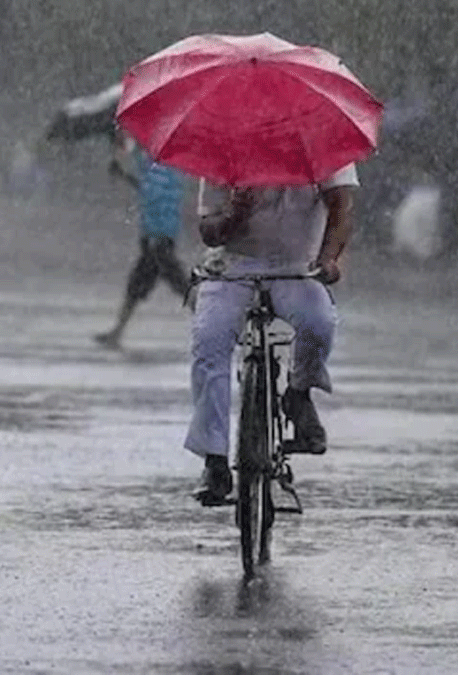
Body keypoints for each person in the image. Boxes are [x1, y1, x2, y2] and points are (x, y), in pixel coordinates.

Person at [188, 163, 360, 502]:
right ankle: (215, 459)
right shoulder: (226, 148)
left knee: (319, 323)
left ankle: (298, 393)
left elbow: (341, 207)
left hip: (297, 267)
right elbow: (208, 231)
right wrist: (234, 216)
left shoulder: (321, 144)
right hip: (233, 266)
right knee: (209, 342)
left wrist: (328, 259)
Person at [93, 131, 191, 349]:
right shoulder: (164, 164)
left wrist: (121, 170)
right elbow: (149, 190)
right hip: (157, 237)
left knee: (180, 286)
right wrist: (123, 174)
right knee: (143, 286)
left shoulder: (159, 165)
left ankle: (218, 327)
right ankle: (117, 332)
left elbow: (153, 193)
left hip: (158, 239)